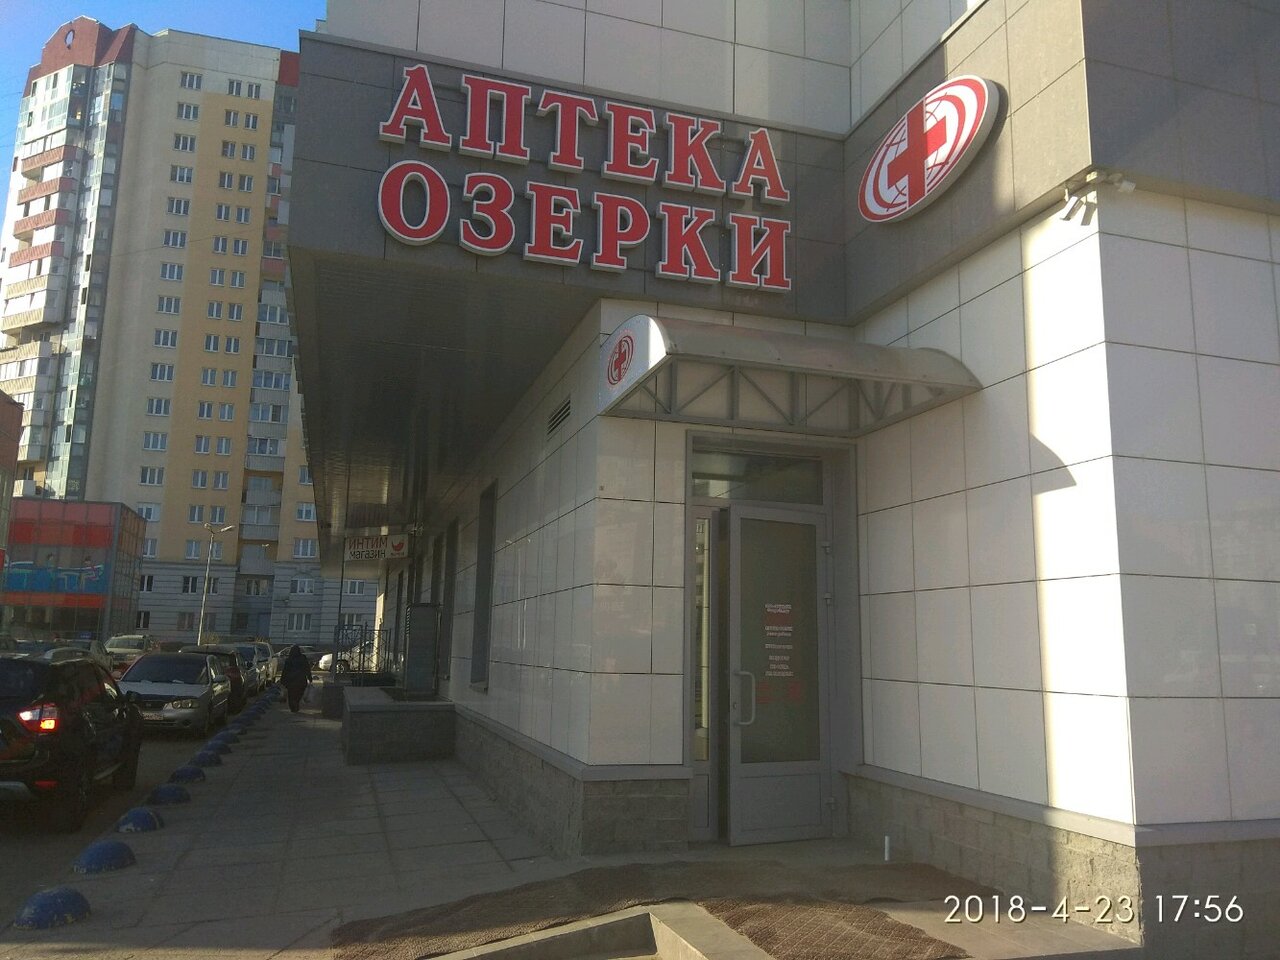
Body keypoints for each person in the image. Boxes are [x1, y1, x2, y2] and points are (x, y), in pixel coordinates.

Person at [279, 644, 312, 713]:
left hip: (291, 680)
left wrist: (282, 680)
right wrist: (309, 677)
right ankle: (296, 703)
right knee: (299, 693)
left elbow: (285, 671)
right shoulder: (303, 658)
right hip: (301, 680)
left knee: (291, 695)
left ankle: (293, 707)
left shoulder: (289, 659)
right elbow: (307, 668)